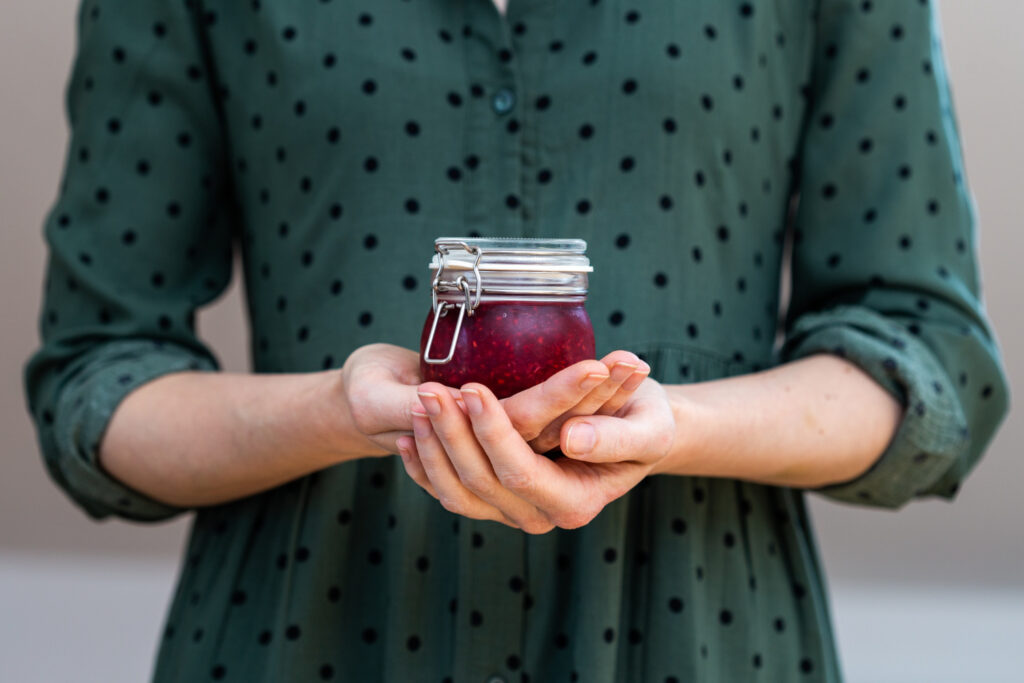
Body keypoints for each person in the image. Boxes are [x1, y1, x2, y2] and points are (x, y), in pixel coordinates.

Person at [25, 1, 1009, 681]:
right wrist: (331, 410)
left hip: (704, 639)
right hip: (306, 637)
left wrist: (676, 426)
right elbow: (97, 376)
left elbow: (928, 356)